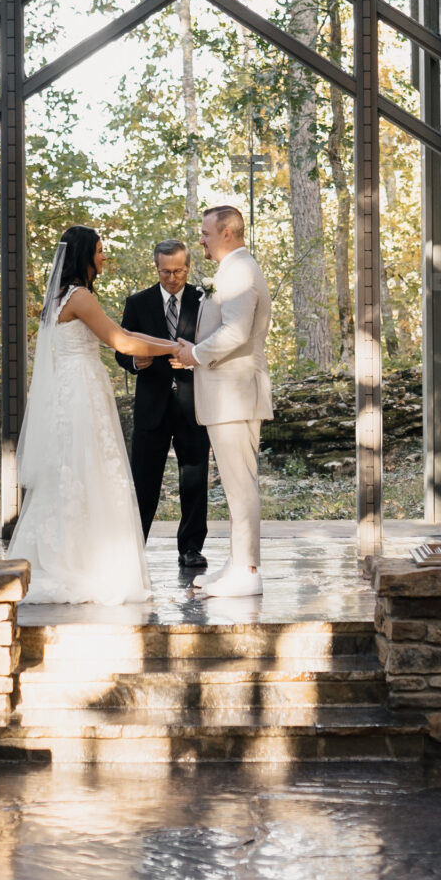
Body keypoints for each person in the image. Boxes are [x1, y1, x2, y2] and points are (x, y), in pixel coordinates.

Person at [6, 225, 175, 605]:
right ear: (83, 255)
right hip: (81, 390)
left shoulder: (61, 297)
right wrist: (177, 348)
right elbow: (121, 340)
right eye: (99, 250)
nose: (103, 257)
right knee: (89, 470)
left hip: (76, 388)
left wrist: (167, 345)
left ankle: (68, 552)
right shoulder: (79, 297)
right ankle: (83, 564)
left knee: (75, 472)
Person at [170, 205, 271, 597]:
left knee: (241, 486)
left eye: (207, 233)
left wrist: (194, 354)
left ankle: (247, 571)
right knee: (233, 485)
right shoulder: (231, 270)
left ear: (228, 233)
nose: (201, 239)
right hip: (228, 394)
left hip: (236, 394)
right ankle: (236, 563)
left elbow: (236, 332)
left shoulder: (241, 270)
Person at [118, 240, 211, 572]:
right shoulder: (138, 303)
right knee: (143, 481)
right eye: (165, 271)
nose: (172, 277)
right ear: (155, 267)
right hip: (151, 406)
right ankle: (133, 547)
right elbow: (120, 350)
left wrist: (197, 359)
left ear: (188, 266)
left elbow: (214, 346)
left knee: (195, 480)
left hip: (193, 405)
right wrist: (134, 361)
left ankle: (191, 549)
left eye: (179, 270)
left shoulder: (206, 300)